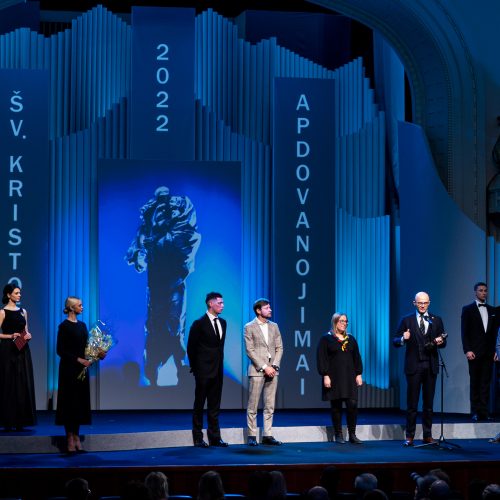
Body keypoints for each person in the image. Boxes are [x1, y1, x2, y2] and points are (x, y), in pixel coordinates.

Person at [126, 186, 201, 386]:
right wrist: (144, 252)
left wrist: (158, 243)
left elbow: (186, 246)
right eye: (160, 206)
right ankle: (153, 374)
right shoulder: (146, 231)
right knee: (154, 328)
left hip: (174, 285)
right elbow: (138, 262)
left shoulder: (180, 229)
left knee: (175, 326)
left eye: (167, 206)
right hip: (156, 288)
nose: (164, 210)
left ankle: (180, 370)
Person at [393, 291, 446, 446]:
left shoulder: (436, 320)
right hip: (414, 367)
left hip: (430, 366)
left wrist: (439, 341)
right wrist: (403, 338)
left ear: (429, 303)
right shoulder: (407, 320)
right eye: (420, 303)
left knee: (428, 404)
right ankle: (409, 436)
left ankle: (427, 435)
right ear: (414, 303)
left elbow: (444, 342)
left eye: (425, 303)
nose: (422, 305)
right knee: (412, 404)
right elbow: (395, 341)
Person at [55, 296, 104, 453]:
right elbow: (60, 350)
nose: (82, 307)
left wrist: (98, 353)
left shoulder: (82, 326)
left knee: (79, 403)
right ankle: (69, 437)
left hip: (81, 371)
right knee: (69, 403)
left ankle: (77, 436)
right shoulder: (64, 326)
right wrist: (79, 360)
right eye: (79, 305)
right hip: (69, 370)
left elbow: (87, 347)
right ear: (71, 308)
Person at [187, 292, 228, 447]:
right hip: (203, 371)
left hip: (217, 370)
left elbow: (219, 348)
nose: (222, 305)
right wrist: (196, 368)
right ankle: (198, 437)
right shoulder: (199, 323)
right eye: (220, 303)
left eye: (223, 303)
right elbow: (191, 348)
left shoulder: (223, 323)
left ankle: (215, 437)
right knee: (199, 404)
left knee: (214, 405)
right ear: (210, 304)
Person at [317, 312, 363, 444]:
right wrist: (325, 375)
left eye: (346, 321)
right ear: (335, 322)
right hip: (334, 377)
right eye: (341, 321)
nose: (344, 323)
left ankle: (352, 434)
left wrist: (359, 374)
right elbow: (322, 359)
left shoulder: (351, 339)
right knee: (336, 406)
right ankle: (338, 434)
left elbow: (357, 358)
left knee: (352, 405)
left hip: (349, 377)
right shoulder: (326, 339)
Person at [244, 298, 284, 446]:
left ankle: (267, 434)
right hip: (257, 370)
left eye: (270, 308)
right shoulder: (249, 327)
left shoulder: (274, 326)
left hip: (273, 370)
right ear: (258, 311)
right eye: (267, 308)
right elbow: (250, 350)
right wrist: (264, 366)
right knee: (253, 405)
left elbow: (279, 348)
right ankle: (252, 435)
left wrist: (274, 366)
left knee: (269, 405)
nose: (270, 310)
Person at [0, 282, 36, 431]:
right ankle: (8, 421)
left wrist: (28, 335)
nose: (19, 295)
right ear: (9, 295)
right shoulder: (2, 312)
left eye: (20, 293)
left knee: (22, 383)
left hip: (22, 349)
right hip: (8, 350)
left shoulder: (23, 311)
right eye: (16, 293)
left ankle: (21, 420)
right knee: (8, 383)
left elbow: (25, 330)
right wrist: (10, 336)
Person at [461, 282, 497, 421]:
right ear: (475, 292)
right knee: (475, 382)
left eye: (485, 291)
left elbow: (495, 333)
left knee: (486, 383)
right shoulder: (468, 309)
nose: (483, 293)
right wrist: (467, 350)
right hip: (474, 352)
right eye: (481, 290)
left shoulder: (492, 310)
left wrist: (496, 350)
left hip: (488, 353)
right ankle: (475, 411)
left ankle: (484, 411)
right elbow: (464, 332)